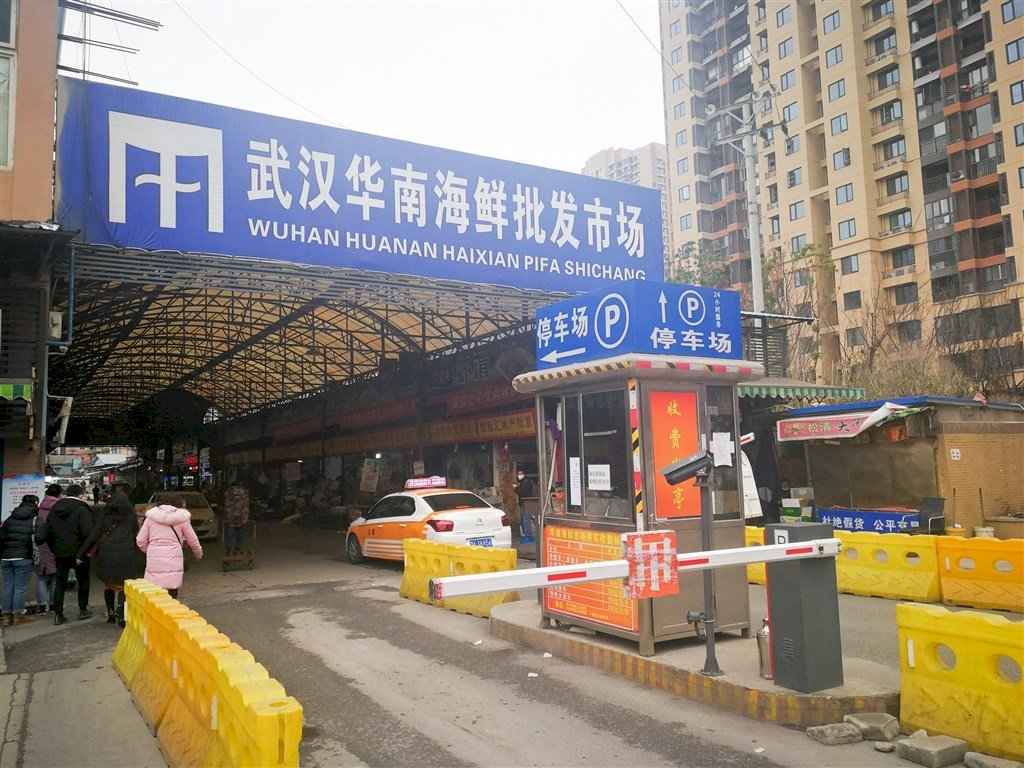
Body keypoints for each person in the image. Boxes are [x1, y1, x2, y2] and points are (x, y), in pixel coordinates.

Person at [78, 491, 140, 626]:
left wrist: (81, 553)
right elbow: (136, 531)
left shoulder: (105, 514)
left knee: (109, 585)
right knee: (124, 586)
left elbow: (94, 535)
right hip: (126, 555)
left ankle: (110, 614)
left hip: (107, 555)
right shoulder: (131, 515)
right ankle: (122, 612)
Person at [37, 484, 94, 624]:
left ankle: (58, 614)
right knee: (83, 581)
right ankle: (83, 610)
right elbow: (88, 533)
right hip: (79, 554)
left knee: (60, 583)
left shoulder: (55, 508)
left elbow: (46, 532)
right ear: (81, 495)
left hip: (60, 553)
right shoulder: (82, 509)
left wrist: (54, 549)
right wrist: (82, 553)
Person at [137, 492, 202, 599]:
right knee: (171, 595)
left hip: (154, 559)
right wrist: (198, 554)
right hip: (174, 561)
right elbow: (193, 541)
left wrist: (150, 551)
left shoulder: (150, 518)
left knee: (155, 597)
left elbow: (140, 540)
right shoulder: (182, 518)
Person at [1, 495, 40, 626]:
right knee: (20, 588)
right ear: (35, 503)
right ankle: (18, 615)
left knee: (8, 587)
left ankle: (7, 617)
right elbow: (41, 538)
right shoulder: (35, 519)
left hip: (6, 557)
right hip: (24, 556)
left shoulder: (10, 519)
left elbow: (2, 536)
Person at [34, 484, 62, 613]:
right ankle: (52, 605)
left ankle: (42, 606)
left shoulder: (39, 507)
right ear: (59, 494)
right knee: (55, 577)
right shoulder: (60, 508)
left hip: (40, 544)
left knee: (42, 577)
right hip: (54, 544)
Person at [222, 481, 250, 555]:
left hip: (230, 518)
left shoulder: (228, 493)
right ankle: (237, 550)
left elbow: (225, 506)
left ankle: (229, 550)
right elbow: (245, 506)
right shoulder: (244, 493)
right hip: (240, 519)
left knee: (230, 535)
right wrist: (245, 518)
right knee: (239, 535)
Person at [513, 470, 538, 544]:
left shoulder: (526, 482)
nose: (519, 475)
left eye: (520, 474)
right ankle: (526, 535)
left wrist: (516, 488)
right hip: (523, 504)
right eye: (518, 474)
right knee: (523, 520)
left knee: (526, 519)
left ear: (524, 474)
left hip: (526, 504)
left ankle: (529, 536)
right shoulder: (523, 482)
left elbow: (524, 493)